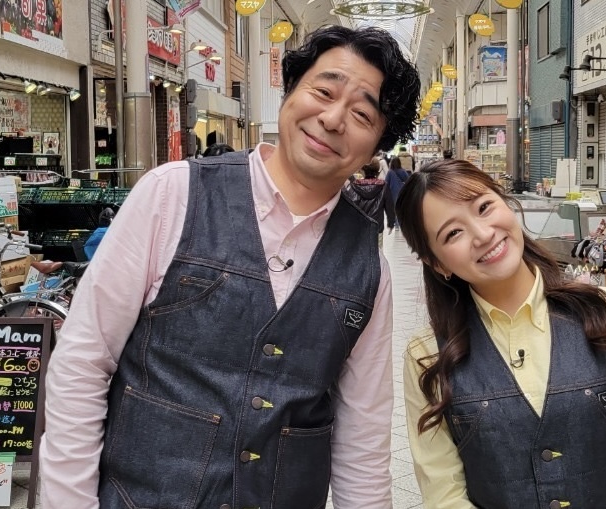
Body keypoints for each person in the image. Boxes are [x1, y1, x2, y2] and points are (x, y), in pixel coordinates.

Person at [40, 25, 421, 509]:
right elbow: (83, 363)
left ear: (378, 144)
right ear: (290, 91)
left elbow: (362, 437)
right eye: (323, 92)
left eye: (362, 114)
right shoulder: (172, 194)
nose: (331, 119)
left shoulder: (369, 270)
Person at [394, 159, 606, 509]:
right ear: (437, 263)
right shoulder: (427, 356)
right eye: (453, 233)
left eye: (484, 207)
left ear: (506, 203)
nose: (483, 234)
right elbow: (444, 493)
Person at [343, 158, 396, 239]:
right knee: (377, 247)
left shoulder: (354, 186)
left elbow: (349, 206)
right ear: (378, 170)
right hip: (376, 227)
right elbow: (389, 206)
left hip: (358, 228)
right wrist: (391, 223)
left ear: (362, 170)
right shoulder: (383, 186)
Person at [384, 156, 409, 226]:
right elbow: (407, 180)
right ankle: (400, 222)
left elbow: (386, 182)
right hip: (402, 191)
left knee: (394, 208)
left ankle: (397, 224)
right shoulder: (403, 171)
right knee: (400, 207)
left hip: (392, 192)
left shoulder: (390, 172)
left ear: (392, 163)